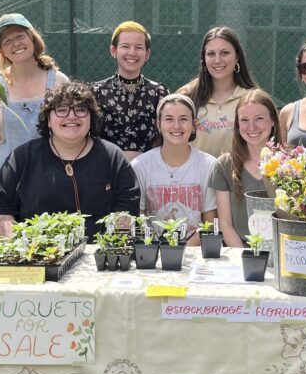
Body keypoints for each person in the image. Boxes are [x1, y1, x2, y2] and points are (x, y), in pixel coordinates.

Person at [0, 81, 140, 239]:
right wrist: (25, 246)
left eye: (80, 110)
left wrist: (108, 247)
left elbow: (127, 208)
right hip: (38, 254)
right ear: (48, 119)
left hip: (98, 253)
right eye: (62, 110)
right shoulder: (22, 158)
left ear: (91, 118)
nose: (71, 116)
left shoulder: (113, 157)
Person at [0, 13, 69, 175]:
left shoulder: (58, 81)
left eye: (20, 36)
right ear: (2, 51)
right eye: (7, 41)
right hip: (8, 178)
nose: (15, 44)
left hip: (52, 176)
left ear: (32, 39)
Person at [131, 94, 217, 246]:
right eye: (169, 119)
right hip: (153, 251)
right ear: (158, 124)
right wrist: (159, 251)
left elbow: (209, 224)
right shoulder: (140, 166)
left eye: (183, 119)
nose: (176, 126)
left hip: (195, 251)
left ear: (194, 124)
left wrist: (181, 251)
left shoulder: (209, 165)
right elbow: (140, 220)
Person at [208, 89, 280, 247]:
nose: (252, 127)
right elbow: (225, 224)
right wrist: (246, 258)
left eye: (259, 118)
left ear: (273, 120)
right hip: (241, 257)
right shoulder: (224, 166)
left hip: (282, 255)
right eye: (244, 120)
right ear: (238, 125)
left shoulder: (291, 164)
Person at [92, 21, 169, 161]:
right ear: (113, 51)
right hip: (107, 170)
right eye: (125, 46)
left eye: (139, 47)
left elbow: (165, 137)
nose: (132, 52)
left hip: (150, 171)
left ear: (147, 54)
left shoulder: (159, 93)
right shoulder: (96, 92)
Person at [177, 26, 257, 158]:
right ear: (204, 59)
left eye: (225, 53)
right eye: (211, 54)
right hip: (193, 178)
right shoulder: (186, 96)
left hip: (235, 177)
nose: (217, 60)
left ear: (237, 56)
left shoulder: (251, 99)